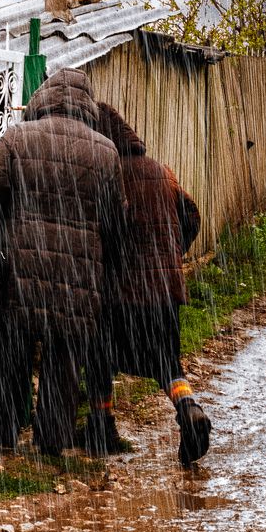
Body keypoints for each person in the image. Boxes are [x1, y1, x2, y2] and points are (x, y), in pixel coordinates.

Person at [0, 69, 125, 456]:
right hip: (78, 276)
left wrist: (12, 209)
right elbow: (116, 219)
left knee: (12, 349)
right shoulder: (106, 151)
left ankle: (0, 434)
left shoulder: (18, 137)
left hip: (22, 269)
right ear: (86, 104)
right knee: (64, 355)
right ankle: (52, 438)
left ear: (42, 98)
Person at [86, 103, 212, 467]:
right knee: (166, 361)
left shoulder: (111, 177)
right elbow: (192, 215)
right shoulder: (163, 173)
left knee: (100, 356)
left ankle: (102, 428)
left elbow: (105, 232)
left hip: (120, 293)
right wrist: (174, 254)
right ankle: (188, 408)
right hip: (164, 291)